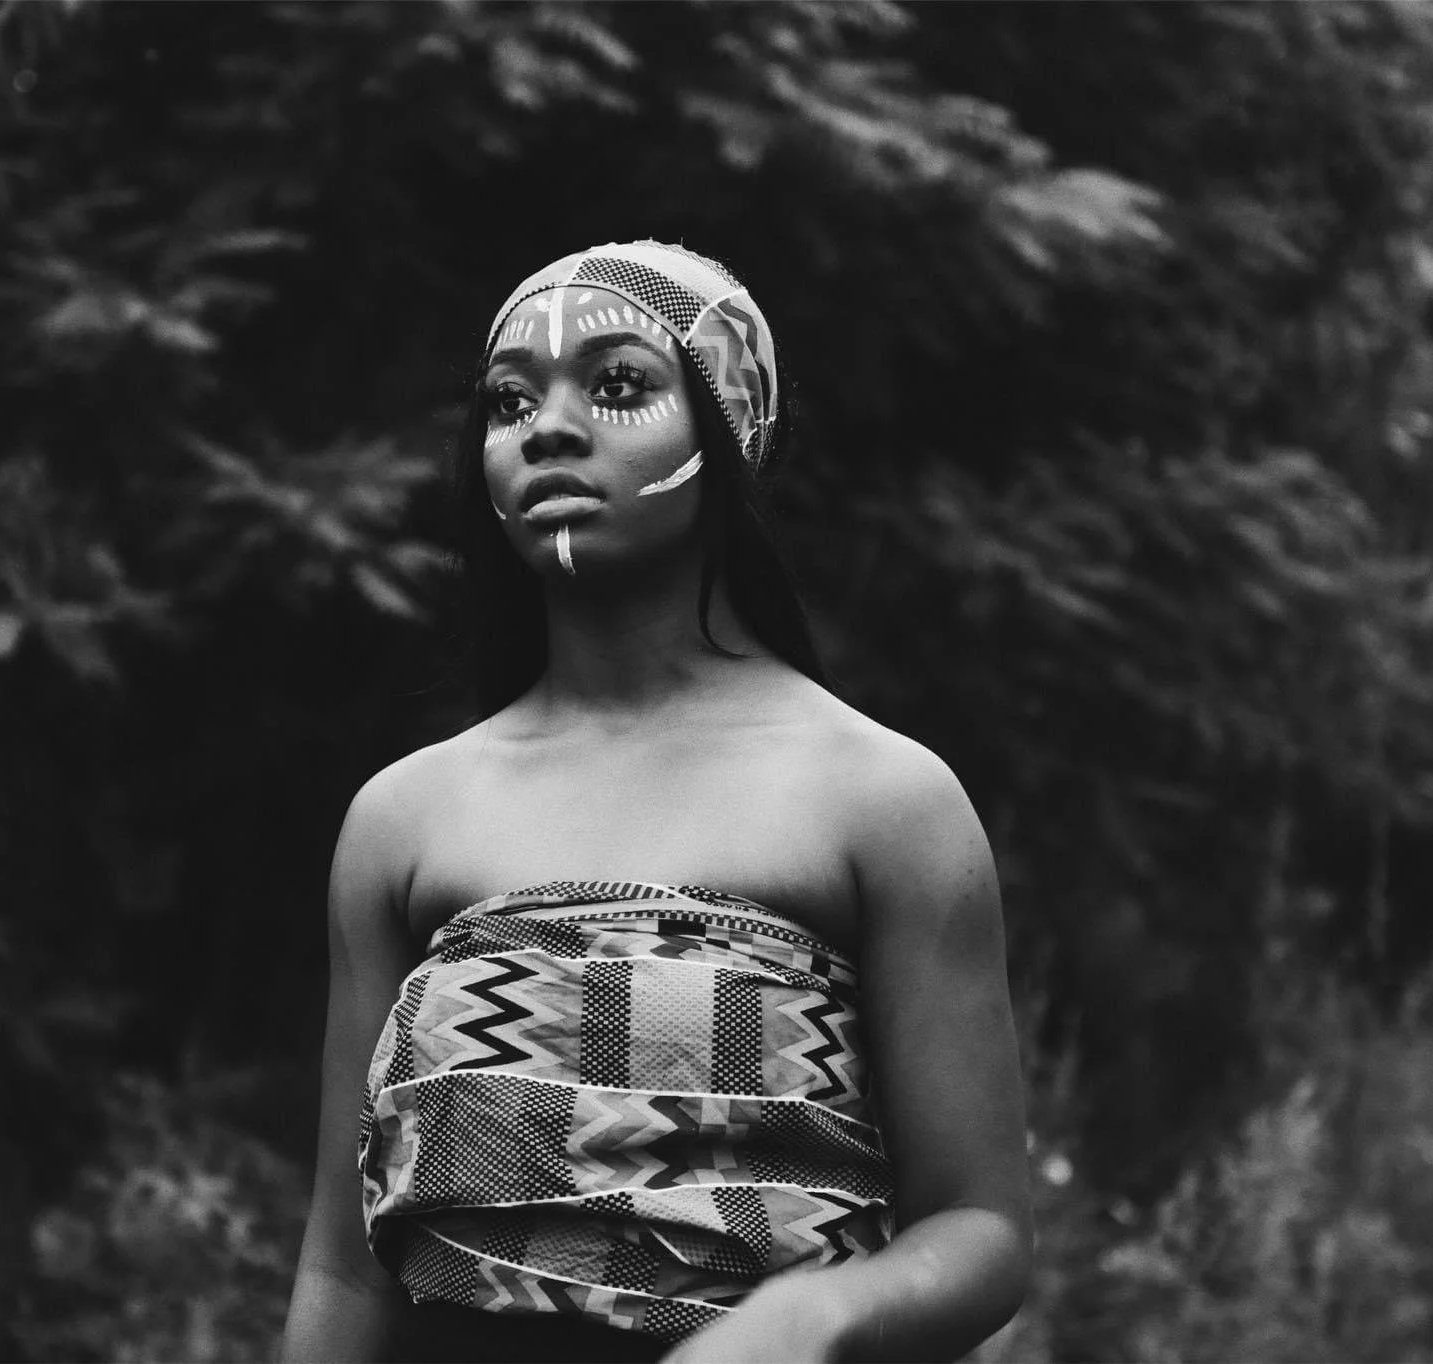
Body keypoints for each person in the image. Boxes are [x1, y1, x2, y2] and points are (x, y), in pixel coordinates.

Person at [281, 241, 1030, 1363]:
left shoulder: (883, 800)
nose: (547, 427)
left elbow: (980, 1231)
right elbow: (343, 1271)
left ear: (725, 433)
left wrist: (813, 1315)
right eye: (509, 401)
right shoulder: (403, 818)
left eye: (618, 383)